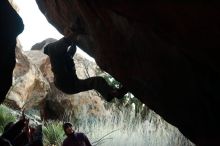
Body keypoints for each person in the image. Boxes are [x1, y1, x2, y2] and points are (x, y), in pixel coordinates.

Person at [44, 36, 127, 102]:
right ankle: (113, 93)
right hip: (65, 83)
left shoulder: (63, 55)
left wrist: (74, 41)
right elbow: (66, 40)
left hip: (70, 83)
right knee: (96, 81)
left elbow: (72, 49)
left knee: (97, 81)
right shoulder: (54, 49)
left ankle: (113, 93)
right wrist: (74, 33)